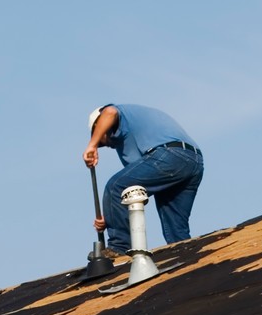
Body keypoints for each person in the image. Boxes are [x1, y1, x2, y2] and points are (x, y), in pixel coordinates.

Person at [84, 104, 203, 253]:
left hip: (170, 155)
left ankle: (118, 248)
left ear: (99, 124)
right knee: (176, 232)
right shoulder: (128, 143)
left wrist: (92, 145)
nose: (105, 144)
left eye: (100, 139)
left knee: (115, 186)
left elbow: (110, 112)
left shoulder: (119, 114)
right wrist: (111, 216)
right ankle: (186, 257)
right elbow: (133, 193)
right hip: (193, 161)